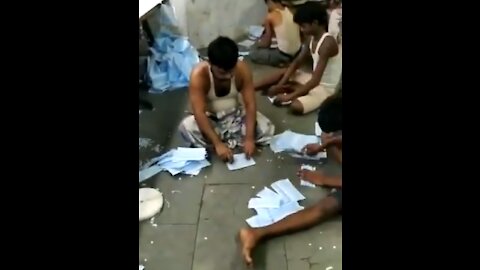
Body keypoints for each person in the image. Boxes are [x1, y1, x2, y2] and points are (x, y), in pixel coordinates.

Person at [178, 36, 275, 162]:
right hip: (211, 119)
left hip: (235, 116)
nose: (229, 76)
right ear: (210, 63)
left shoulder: (242, 69)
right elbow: (199, 113)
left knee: (265, 127)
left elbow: (250, 104)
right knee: (187, 127)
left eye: (231, 71)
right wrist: (217, 143)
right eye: (223, 73)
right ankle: (221, 143)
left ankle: (229, 143)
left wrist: (250, 138)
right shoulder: (199, 74)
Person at [254, 2, 342, 115]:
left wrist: (289, 97)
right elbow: (296, 62)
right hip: (314, 80)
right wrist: (279, 85)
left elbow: (315, 81)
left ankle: (293, 89)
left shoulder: (327, 44)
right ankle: (252, 86)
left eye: (303, 26)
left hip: (325, 89)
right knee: (285, 72)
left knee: (296, 107)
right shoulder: (311, 38)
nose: (301, 29)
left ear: (315, 23)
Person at [249, 0, 302, 67]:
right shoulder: (292, 11)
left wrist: (258, 43)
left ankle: (281, 62)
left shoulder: (270, 16)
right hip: (298, 52)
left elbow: (266, 43)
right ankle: (289, 61)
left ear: (270, 1)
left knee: (253, 51)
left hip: (282, 54)